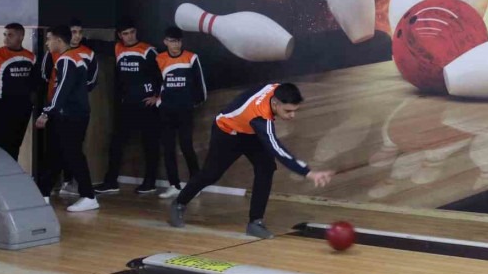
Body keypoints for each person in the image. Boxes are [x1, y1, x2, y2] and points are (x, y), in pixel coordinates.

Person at [169, 83, 334, 238]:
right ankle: (179, 203)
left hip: (250, 132)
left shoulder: (277, 90)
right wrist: (308, 173)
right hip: (227, 132)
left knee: (266, 168)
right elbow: (277, 149)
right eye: (288, 111)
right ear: (275, 103)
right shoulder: (260, 117)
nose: (292, 115)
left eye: (294, 110)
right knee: (210, 174)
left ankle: (255, 222)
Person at [90, 21, 162, 194]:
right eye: (125, 34)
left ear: (136, 32)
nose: (129, 37)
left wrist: (157, 97)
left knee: (150, 144)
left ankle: (150, 182)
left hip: (146, 105)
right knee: (116, 144)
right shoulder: (117, 49)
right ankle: (111, 182)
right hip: (126, 105)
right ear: (119, 36)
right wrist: (77, 38)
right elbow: (97, 45)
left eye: (131, 32)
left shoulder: (148, 51)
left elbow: (164, 73)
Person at [35, 26, 99, 212]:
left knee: (73, 155)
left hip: (72, 116)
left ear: (59, 41)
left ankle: (89, 196)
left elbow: (61, 90)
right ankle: (44, 193)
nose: (46, 43)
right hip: (69, 114)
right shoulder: (70, 58)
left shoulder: (67, 60)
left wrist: (47, 112)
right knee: (56, 153)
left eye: (49, 39)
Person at [155, 26, 206, 199]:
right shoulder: (159, 58)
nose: (176, 44)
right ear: (165, 42)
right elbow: (156, 82)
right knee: (168, 148)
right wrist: (156, 99)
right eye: (172, 41)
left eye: (178, 41)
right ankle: (174, 185)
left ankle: (195, 185)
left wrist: (195, 102)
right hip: (166, 110)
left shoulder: (191, 57)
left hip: (185, 110)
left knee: (186, 146)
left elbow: (201, 84)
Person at [0, 23, 36, 160]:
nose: (6, 38)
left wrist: (30, 102)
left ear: (21, 36)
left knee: (15, 143)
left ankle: (12, 174)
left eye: (10, 35)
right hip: (0, 104)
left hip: (22, 106)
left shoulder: (30, 57)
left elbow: (35, 82)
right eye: (5, 35)